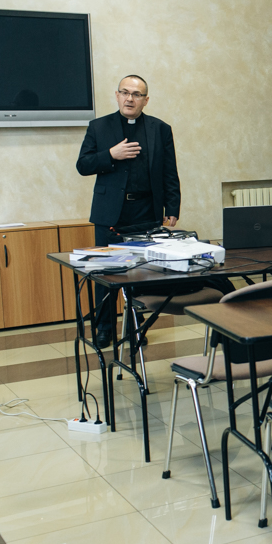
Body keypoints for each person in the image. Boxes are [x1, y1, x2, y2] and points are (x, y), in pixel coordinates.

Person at [75, 75, 181, 347]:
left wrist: (173, 206)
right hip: (110, 213)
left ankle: (136, 329)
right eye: (125, 92)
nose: (130, 98)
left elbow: (169, 171)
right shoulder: (98, 127)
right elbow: (83, 165)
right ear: (117, 95)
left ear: (146, 100)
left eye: (136, 94)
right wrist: (111, 154)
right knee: (105, 272)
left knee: (142, 274)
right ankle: (104, 328)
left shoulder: (160, 129)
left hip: (146, 211)